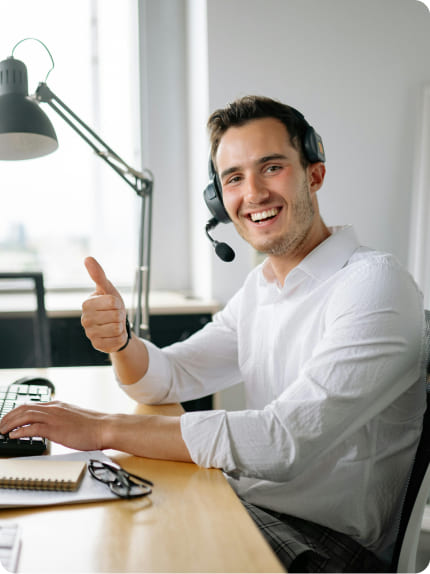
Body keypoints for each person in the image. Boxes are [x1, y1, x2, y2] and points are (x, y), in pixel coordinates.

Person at [0, 96, 425, 573]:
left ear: (314, 174)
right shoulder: (263, 287)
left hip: (329, 546)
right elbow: (169, 377)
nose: (254, 193)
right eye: (234, 178)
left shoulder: (373, 285)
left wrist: (100, 429)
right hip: (256, 505)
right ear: (219, 199)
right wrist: (121, 340)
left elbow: (282, 443)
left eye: (272, 167)